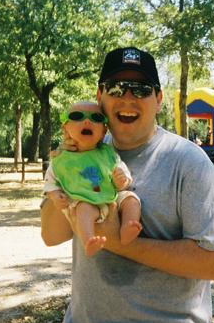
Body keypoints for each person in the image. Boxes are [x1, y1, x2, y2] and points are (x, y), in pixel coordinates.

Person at [41, 46, 214, 323]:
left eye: (141, 89)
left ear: (158, 99)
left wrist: (118, 242)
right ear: (100, 96)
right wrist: (65, 167)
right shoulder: (81, 153)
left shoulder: (188, 162)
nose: (127, 98)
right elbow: (51, 235)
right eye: (117, 88)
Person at [43, 101, 142, 256]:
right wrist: (55, 197)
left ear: (104, 132)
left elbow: (121, 170)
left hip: (111, 197)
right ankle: (89, 240)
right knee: (83, 209)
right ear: (65, 129)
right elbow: (50, 182)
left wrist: (122, 180)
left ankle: (128, 227)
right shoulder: (61, 158)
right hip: (85, 201)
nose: (87, 121)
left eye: (96, 117)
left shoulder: (108, 153)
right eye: (77, 116)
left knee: (131, 199)